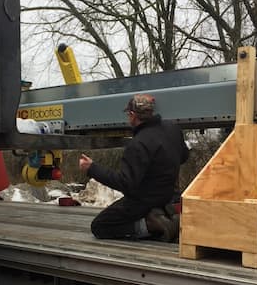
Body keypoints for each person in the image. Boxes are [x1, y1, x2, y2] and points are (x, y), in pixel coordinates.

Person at [79, 93, 189, 241]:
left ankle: (152, 225)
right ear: (151, 111)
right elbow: (184, 156)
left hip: (144, 201)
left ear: (132, 115)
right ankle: (162, 216)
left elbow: (125, 183)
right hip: (170, 196)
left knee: (100, 226)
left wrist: (92, 168)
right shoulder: (173, 129)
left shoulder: (138, 144)